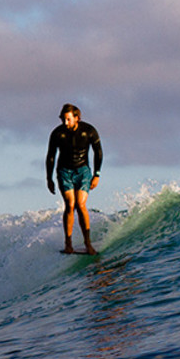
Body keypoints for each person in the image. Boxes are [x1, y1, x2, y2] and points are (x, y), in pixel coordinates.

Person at [46, 103, 103, 255]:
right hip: (64, 171)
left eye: (68, 119)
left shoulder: (89, 131)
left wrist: (96, 175)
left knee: (81, 204)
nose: (65, 123)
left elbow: (98, 152)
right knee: (70, 205)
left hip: (83, 171)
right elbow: (51, 157)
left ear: (76, 118)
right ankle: (68, 243)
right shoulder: (57, 134)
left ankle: (88, 243)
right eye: (63, 119)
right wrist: (49, 178)